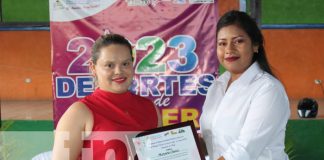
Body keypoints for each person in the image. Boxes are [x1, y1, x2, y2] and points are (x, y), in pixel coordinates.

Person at [52, 34, 161, 160]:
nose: (119, 71)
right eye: (109, 65)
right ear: (93, 68)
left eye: (125, 63)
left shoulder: (150, 108)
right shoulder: (79, 112)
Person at [200, 10, 290, 160]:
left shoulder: (268, 89)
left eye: (238, 41)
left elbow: (244, 150)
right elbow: (212, 142)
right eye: (222, 43)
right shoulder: (216, 87)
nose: (229, 49)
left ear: (255, 45)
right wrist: (172, 146)